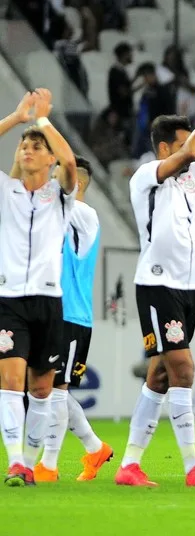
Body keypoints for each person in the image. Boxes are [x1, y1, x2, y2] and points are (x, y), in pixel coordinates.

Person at [114, 75, 195, 488]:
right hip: (157, 285)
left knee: (159, 375)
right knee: (183, 368)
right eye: (184, 142)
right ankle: (192, 465)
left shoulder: (191, 177)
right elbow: (193, 150)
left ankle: (129, 465)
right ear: (164, 148)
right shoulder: (147, 174)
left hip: (188, 287)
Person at [0, 90, 78, 487]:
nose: (28, 150)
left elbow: (69, 163)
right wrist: (17, 118)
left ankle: (29, 465)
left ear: (48, 159)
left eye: (36, 146)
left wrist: (45, 122)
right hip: (8, 299)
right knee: (11, 381)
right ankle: (15, 462)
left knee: (42, 387)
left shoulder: (59, 196)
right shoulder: (4, 191)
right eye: (24, 145)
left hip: (49, 301)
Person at [32, 156, 113, 482]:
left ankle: (48, 466)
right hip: (47, 311)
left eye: (56, 176)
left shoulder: (84, 215)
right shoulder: (54, 216)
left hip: (71, 315)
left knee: (56, 391)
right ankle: (94, 448)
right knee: (43, 388)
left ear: (75, 182)